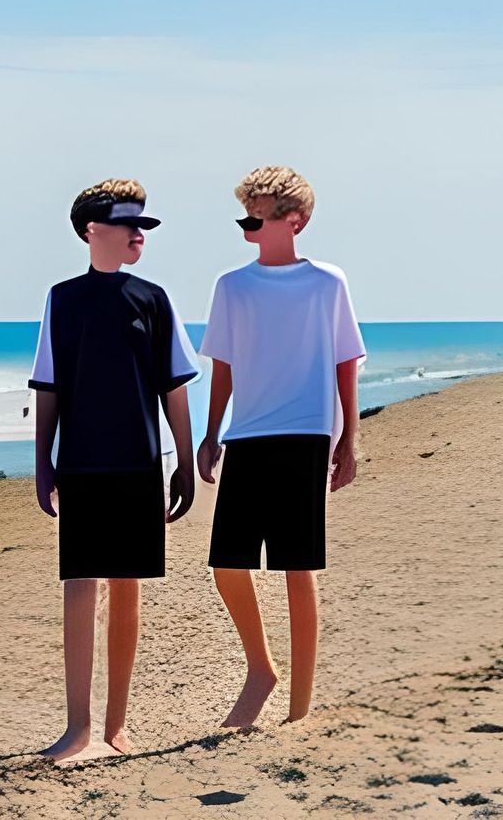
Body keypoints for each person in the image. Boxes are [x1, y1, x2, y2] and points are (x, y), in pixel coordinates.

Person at [30, 178, 199, 759]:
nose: (139, 236)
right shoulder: (62, 299)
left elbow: (174, 386)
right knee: (80, 586)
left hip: (139, 465)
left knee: (127, 587)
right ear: (91, 230)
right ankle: (77, 729)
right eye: (129, 225)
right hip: (80, 464)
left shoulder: (153, 300)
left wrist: (181, 461)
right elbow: (48, 387)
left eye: (144, 227)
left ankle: (115, 727)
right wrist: (41, 463)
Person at [197, 166, 365, 729]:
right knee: (226, 563)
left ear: (295, 221)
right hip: (247, 432)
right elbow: (223, 365)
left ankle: (299, 710)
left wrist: (349, 440)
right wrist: (210, 432)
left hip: (307, 433)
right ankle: (261, 669)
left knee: (298, 566)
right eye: (243, 215)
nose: (247, 224)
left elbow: (346, 363)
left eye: (257, 215)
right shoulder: (232, 286)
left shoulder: (328, 283)